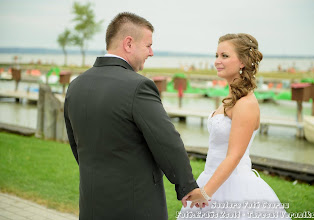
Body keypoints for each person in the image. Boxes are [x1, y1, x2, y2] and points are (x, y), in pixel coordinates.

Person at [64, 12, 198, 220]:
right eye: (148, 45)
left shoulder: (76, 85)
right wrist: (187, 186)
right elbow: (167, 141)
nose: (151, 52)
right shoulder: (138, 86)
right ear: (128, 43)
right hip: (135, 205)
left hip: (91, 203)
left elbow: (76, 144)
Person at [177, 34, 290, 219]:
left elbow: (234, 156)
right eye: (216, 55)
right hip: (211, 176)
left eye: (224, 56)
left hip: (234, 186)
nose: (217, 61)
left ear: (242, 62)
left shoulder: (246, 104)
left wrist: (205, 193)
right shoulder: (230, 99)